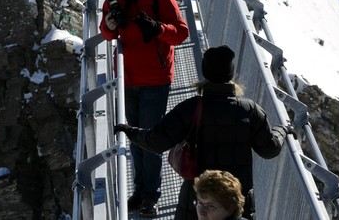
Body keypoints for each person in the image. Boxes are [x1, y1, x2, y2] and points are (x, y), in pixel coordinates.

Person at [116, 46, 289, 219]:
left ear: (205, 73)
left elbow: (156, 141)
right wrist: (282, 130)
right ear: (230, 74)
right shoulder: (249, 109)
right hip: (235, 200)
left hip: (198, 200)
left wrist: (128, 130)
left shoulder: (191, 108)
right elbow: (269, 149)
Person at [101, 0, 190, 215]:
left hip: (155, 79)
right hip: (128, 79)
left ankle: (150, 196)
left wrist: (157, 28)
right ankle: (140, 192)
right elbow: (106, 33)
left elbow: (181, 33)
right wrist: (110, 26)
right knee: (135, 137)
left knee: (150, 140)